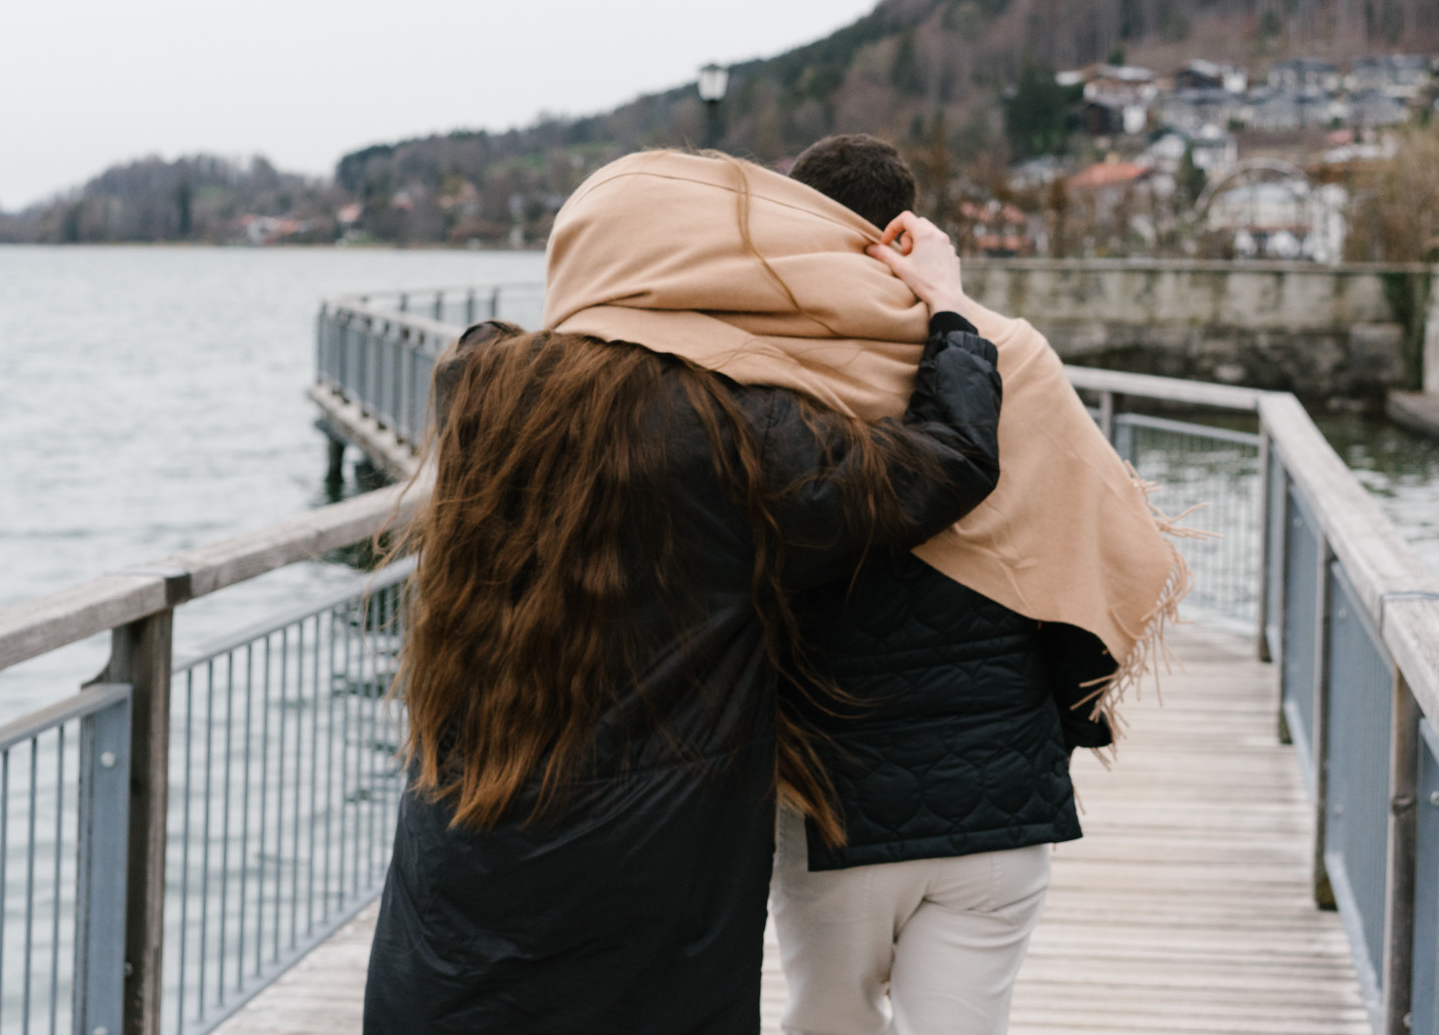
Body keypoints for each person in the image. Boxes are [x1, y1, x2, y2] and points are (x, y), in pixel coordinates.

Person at [362, 213, 1004, 1034]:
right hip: (649, 905)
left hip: (458, 909)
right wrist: (948, 311)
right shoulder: (730, 431)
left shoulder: (484, 388)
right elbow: (948, 459)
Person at [770, 132, 1118, 1035]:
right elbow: (1090, 539)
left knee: (825, 1020)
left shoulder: (769, 368)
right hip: (1002, 793)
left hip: (833, 797)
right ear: (907, 226)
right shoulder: (1015, 357)